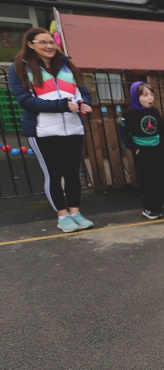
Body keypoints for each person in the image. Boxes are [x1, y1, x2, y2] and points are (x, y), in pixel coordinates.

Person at [9, 27, 94, 233]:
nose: (49, 46)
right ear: (30, 44)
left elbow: (83, 91)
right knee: (53, 175)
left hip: (73, 129)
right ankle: (62, 216)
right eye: (43, 42)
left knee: (73, 174)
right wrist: (62, 105)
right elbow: (26, 101)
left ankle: (75, 212)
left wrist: (83, 103)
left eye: (51, 42)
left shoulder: (67, 66)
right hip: (43, 131)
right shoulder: (20, 68)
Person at [121, 82, 164, 219]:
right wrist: (135, 148)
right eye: (145, 95)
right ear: (136, 97)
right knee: (148, 180)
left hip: (156, 149)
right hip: (142, 151)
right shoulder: (130, 114)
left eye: (152, 95)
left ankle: (158, 206)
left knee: (161, 177)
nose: (150, 98)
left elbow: (161, 129)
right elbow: (124, 134)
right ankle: (149, 208)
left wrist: (161, 144)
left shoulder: (154, 111)